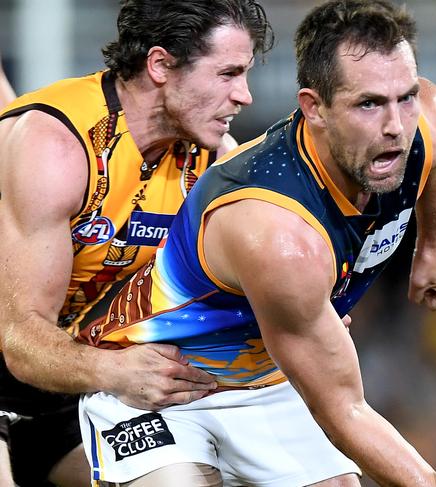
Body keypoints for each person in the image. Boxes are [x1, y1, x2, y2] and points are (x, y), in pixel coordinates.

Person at [77, 1, 436, 486]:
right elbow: (345, 408)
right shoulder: (276, 232)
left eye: (402, 96)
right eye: (368, 104)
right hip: (158, 383)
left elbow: (433, 135)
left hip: (270, 377)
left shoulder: (427, 121)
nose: (394, 126)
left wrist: (434, 241)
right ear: (313, 108)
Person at [0, 1, 273, 486]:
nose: (245, 96)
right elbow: (19, 340)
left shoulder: (214, 162)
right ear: (161, 65)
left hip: (77, 389)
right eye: (228, 73)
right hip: (32, 364)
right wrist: (119, 373)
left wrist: (300, 302)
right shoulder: (59, 144)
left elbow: (259, 282)